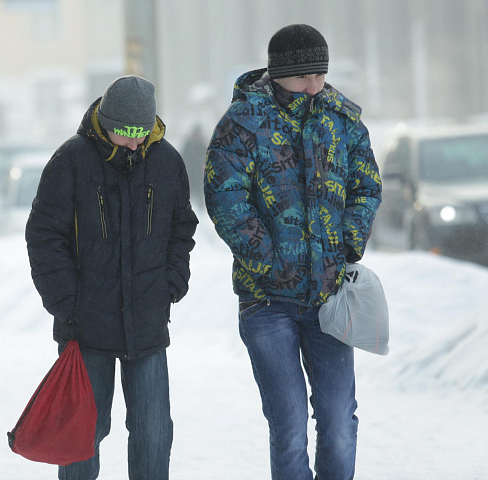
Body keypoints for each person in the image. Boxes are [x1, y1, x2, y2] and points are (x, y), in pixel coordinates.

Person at [204, 25, 382, 479]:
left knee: (340, 421)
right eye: (306, 76)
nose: (316, 85)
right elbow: (225, 199)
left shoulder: (342, 119)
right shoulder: (241, 125)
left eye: (321, 73)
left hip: (330, 298)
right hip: (267, 302)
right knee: (289, 426)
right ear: (282, 72)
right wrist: (269, 261)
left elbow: (366, 186)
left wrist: (345, 242)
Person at [26, 75, 198, 479]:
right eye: (126, 134)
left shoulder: (167, 161)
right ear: (106, 123)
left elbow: (182, 228)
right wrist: (68, 304)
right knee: (82, 436)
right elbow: (44, 236)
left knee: (153, 437)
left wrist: (171, 284)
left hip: (148, 324)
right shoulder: (71, 160)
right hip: (85, 330)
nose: (135, 143)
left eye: (141, 133)